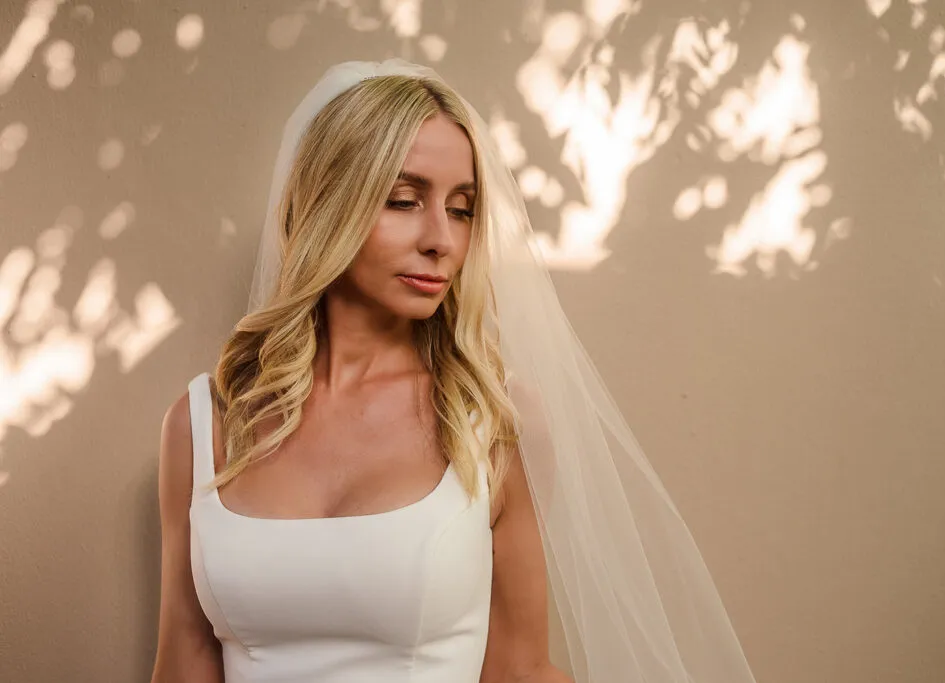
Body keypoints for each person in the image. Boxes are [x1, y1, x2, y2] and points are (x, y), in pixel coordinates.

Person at [150, 60, 759, 683]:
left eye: (462, 209)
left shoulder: (490, 421)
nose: (442, 238)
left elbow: (520, 670)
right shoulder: (205, 425)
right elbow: (185, 659)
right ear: (327, 206)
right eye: (405, 201)